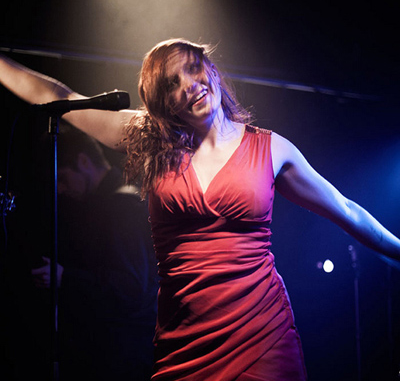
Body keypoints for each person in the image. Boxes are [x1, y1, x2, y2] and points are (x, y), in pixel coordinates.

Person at [0, 39, 399, 381]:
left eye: (192, 69)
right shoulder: (149, 140)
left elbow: (346, 209)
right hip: (184, 343)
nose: (189, 86)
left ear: (212, 70)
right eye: (172, 84)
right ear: (163, 103)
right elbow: (59, 96)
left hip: (263, 336)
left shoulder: (270, 148)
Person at [30, 123, 159, 381]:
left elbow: (132, 287)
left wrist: (65, 277)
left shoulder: (121, 206)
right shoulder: (112, 202)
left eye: (62, 178)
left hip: (125, 355)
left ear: (83, 161)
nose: (60, 189)